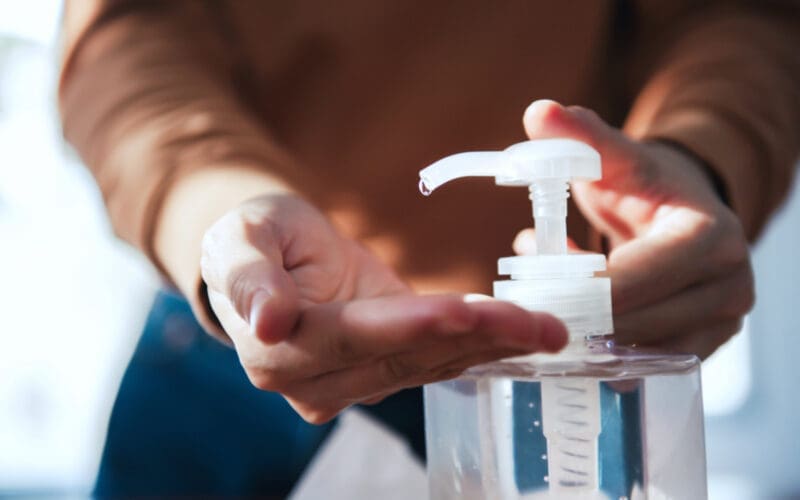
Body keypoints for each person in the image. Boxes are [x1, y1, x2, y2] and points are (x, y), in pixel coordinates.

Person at [59, 1, 800, 497]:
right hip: (246, 338)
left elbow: (738, 15)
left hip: (590, 356)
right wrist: (216, 207)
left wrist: (701, 153)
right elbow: (127, 31)